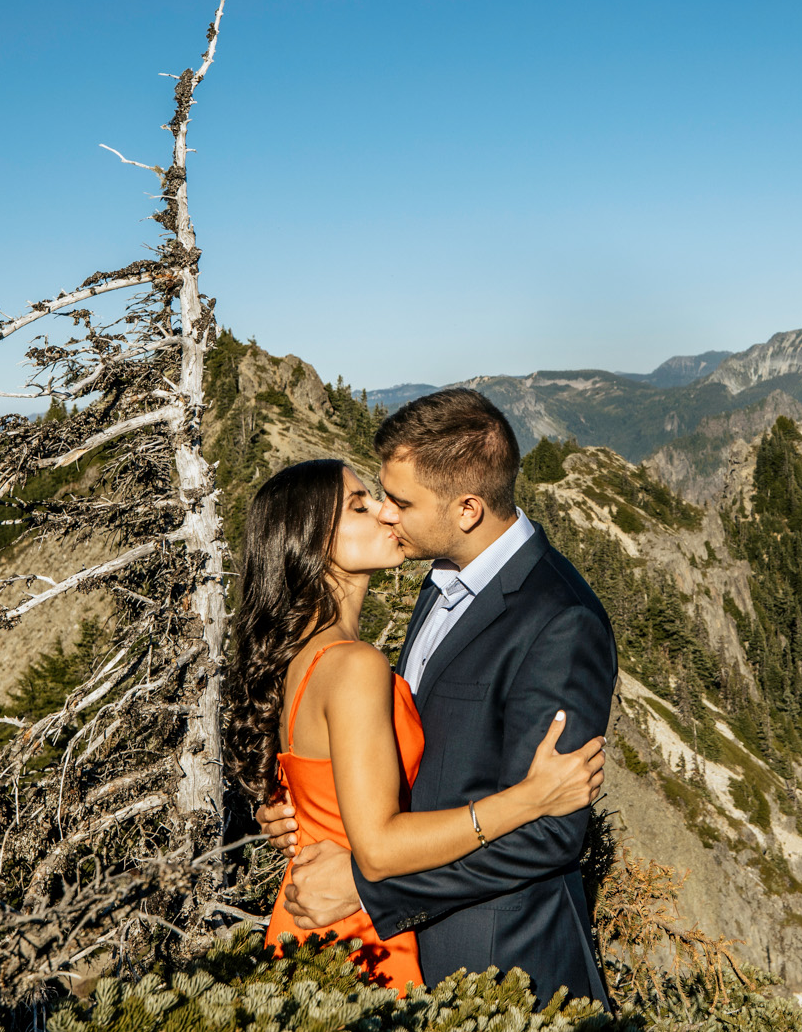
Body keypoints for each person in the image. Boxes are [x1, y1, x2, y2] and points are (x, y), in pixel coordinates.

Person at [255, 389, 619, 1006]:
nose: (388, 515)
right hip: (390, 952)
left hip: (500, 963)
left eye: (399, 502)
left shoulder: (561, 620)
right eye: (374, 501)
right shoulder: (441, 576)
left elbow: (551, 835)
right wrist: (311, 811)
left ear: (468, 509)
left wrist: (371, 890)